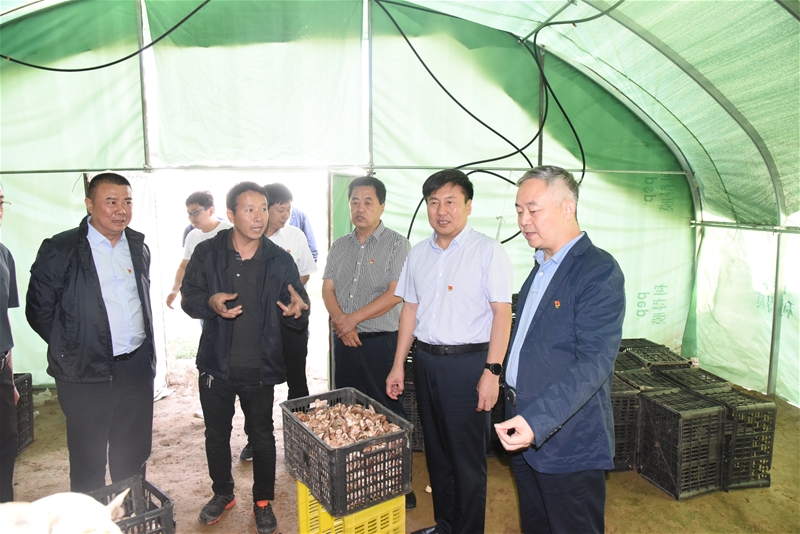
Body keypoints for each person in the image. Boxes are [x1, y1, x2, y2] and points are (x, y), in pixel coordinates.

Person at [494, 166, 625, 534]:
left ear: (568, 208)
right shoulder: (541, 266)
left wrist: (536, 422)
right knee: (536, 524)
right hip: (525, 430)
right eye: (519, 210)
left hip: (566, 440)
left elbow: (594, 361)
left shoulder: (597, 271)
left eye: (533, 210)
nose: (524, 220)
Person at [386, 169, 513, 534]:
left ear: (468, 206)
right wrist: (399, 365)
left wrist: (492, 371)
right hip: (426, 362)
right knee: (438, 453)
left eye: (451, 202)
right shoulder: (418, 254)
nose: (441, 211)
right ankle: (445, 525)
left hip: (468, 365)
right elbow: (410, 310)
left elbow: (501, 313)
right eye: (434, 202)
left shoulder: (488, 251)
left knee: (466, 460)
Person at [180, 182, 308, 534]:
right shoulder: (208, 252)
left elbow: (299, 302)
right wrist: (209, 302)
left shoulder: (279, 259)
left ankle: (263, 501)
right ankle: (223, 492)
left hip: (259, 366)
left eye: (263, 208)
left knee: (262, 435)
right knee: (216, 434)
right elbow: (189, 297)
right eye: (249, 209)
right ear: (231, 214)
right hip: (216, 364)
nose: (259, 216)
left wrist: (298, 312)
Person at [26, 173, 156, 493]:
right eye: (111, 202)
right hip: (85, 374)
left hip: (135, 370)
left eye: (127, 202)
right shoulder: (61, 249)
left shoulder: (137, 246)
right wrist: (74, 347)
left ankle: (130, 513)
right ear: (89, 204)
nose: (121, 210)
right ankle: (91, 517)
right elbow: (39, 311)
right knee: (88, 462)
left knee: (132, 456)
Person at [321, 176, 414, 507]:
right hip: (344, 341)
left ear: (382, 206)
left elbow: (395, 294)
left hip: (381, 342)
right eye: (355, 202)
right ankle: (355, 480)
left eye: (368, 202)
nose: (360, 208)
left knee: (387, 411)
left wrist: (352, 319)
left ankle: (400, 484)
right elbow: (328, 289)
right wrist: (342, 323)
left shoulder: (397, 245)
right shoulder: (339, 246)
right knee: (347, 410)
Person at [238, 183, 316, 462]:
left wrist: (283, 291)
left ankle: (302, 439)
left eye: (288, 210)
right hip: (255, 324)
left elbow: (304, 274)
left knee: (297, 379)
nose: (285, 215)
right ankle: (256, 439)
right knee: (257, 384)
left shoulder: (295, 235)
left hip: (289, 321)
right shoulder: (245, 238)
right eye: (280, 209)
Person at [167, 191, 232, 309]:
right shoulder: (192, 236)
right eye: (189, 213)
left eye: (196, 212)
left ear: (211, 211)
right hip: (205, 299)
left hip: (229, 295)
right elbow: (184, 266)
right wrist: (174, 291)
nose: (192, 217)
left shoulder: (230, 231)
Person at [0, 184, 19, 503]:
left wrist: (11, 378)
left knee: (7, 442)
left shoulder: (3, 254)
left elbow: (5, 316)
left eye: (0, 200)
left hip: (1, 370)